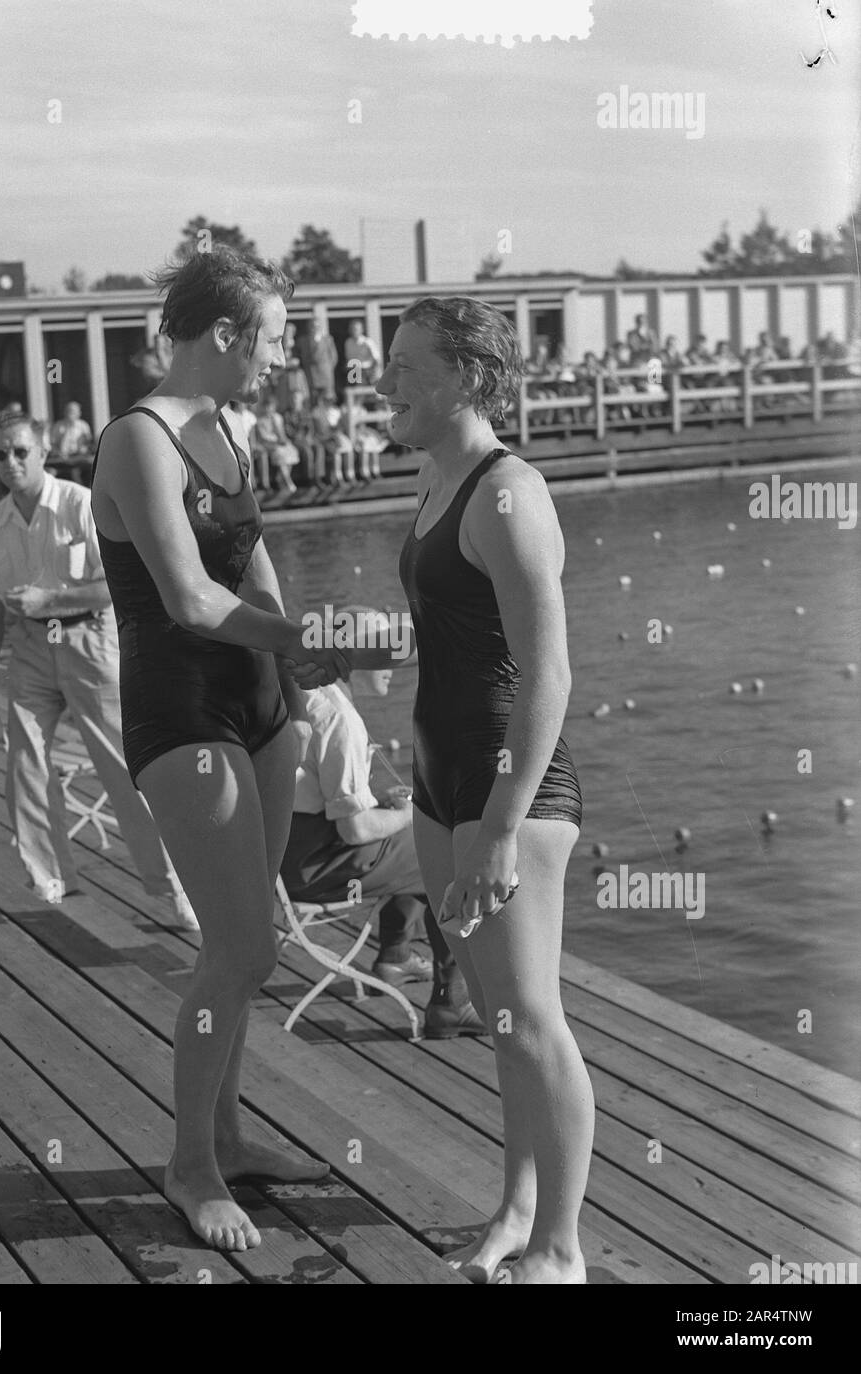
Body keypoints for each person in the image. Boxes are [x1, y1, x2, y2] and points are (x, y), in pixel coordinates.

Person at [89, 245, 347, 1253]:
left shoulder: (226, 429)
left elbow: (255, 563)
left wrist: (303, 653)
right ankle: (190, 1164)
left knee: (252, 945)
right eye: (274, 340)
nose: (282, 360)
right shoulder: (139, 438)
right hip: (182, 710)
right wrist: (298, 639)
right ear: (227, 333)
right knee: (238, 946)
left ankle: (230, 1138)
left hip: (260, 705)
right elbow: (192, 598)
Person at [371, 295, 592, 1285]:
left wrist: (502, 826)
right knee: (499, 1013)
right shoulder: (433, 475)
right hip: (438, 775)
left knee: (534, 1014)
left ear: (465, 375)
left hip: (515, 788)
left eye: (406, 364)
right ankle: (514, 1207)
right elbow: (447, 633)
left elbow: (548, 673)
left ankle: (562, 1246)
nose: (385, 382)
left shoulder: (509, 493)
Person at [0, 409, 197, 927]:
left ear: (43, 452)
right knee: (24, 763)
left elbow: (121, 587)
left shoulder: (79, 504)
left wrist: (50, 597)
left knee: (124, 769)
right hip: (28, 650)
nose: (9, 463)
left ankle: (174, 885)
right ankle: (50, 880)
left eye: (19, 451)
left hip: (88, 641)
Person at [280, 608, 485, 1038]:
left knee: (412, 833)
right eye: (388, 655)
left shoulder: (300, 694)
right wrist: (410, 813)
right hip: (314, 868)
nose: (399, 666)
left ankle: (394, 957)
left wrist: (392, 811)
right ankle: (452, 1003)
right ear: (351, 659)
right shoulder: (336, 716)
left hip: (280, 858)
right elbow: (353, 831)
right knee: (444, 851)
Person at [250, 394, 298, 494]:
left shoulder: (278, 417)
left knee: (291, 450)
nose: (269, 408)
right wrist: (277, 442)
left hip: (278, 441)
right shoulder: (260, 420)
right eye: (267, 406)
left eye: (271, 406)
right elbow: (263, 437)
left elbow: (281, 434)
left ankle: (280, 478)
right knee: (280, 452)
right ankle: (288, 482)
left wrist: (282, 439)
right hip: (268, 444)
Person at [298, 315, 338, 403]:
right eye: (312, 326)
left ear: (320, 327)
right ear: (309, 327)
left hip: (326, 374)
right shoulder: (304, 340)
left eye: (317, 326)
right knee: (314, 399)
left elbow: (334, 357)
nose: (314, 328)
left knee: (328, 398)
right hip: (312, 374)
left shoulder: (328, 339)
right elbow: (304, 357)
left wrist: (328, 368)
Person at [343, 319, 382, 387]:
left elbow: (377, 359)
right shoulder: (348, 342)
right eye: (352, 329)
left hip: (367, 372)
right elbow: (348, 359)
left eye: (356, 329)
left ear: (362, 330)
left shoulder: (368, 342)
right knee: (353, 393)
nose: (354, 331)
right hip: (353, 371)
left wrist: (374, 374)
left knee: (366, 393)